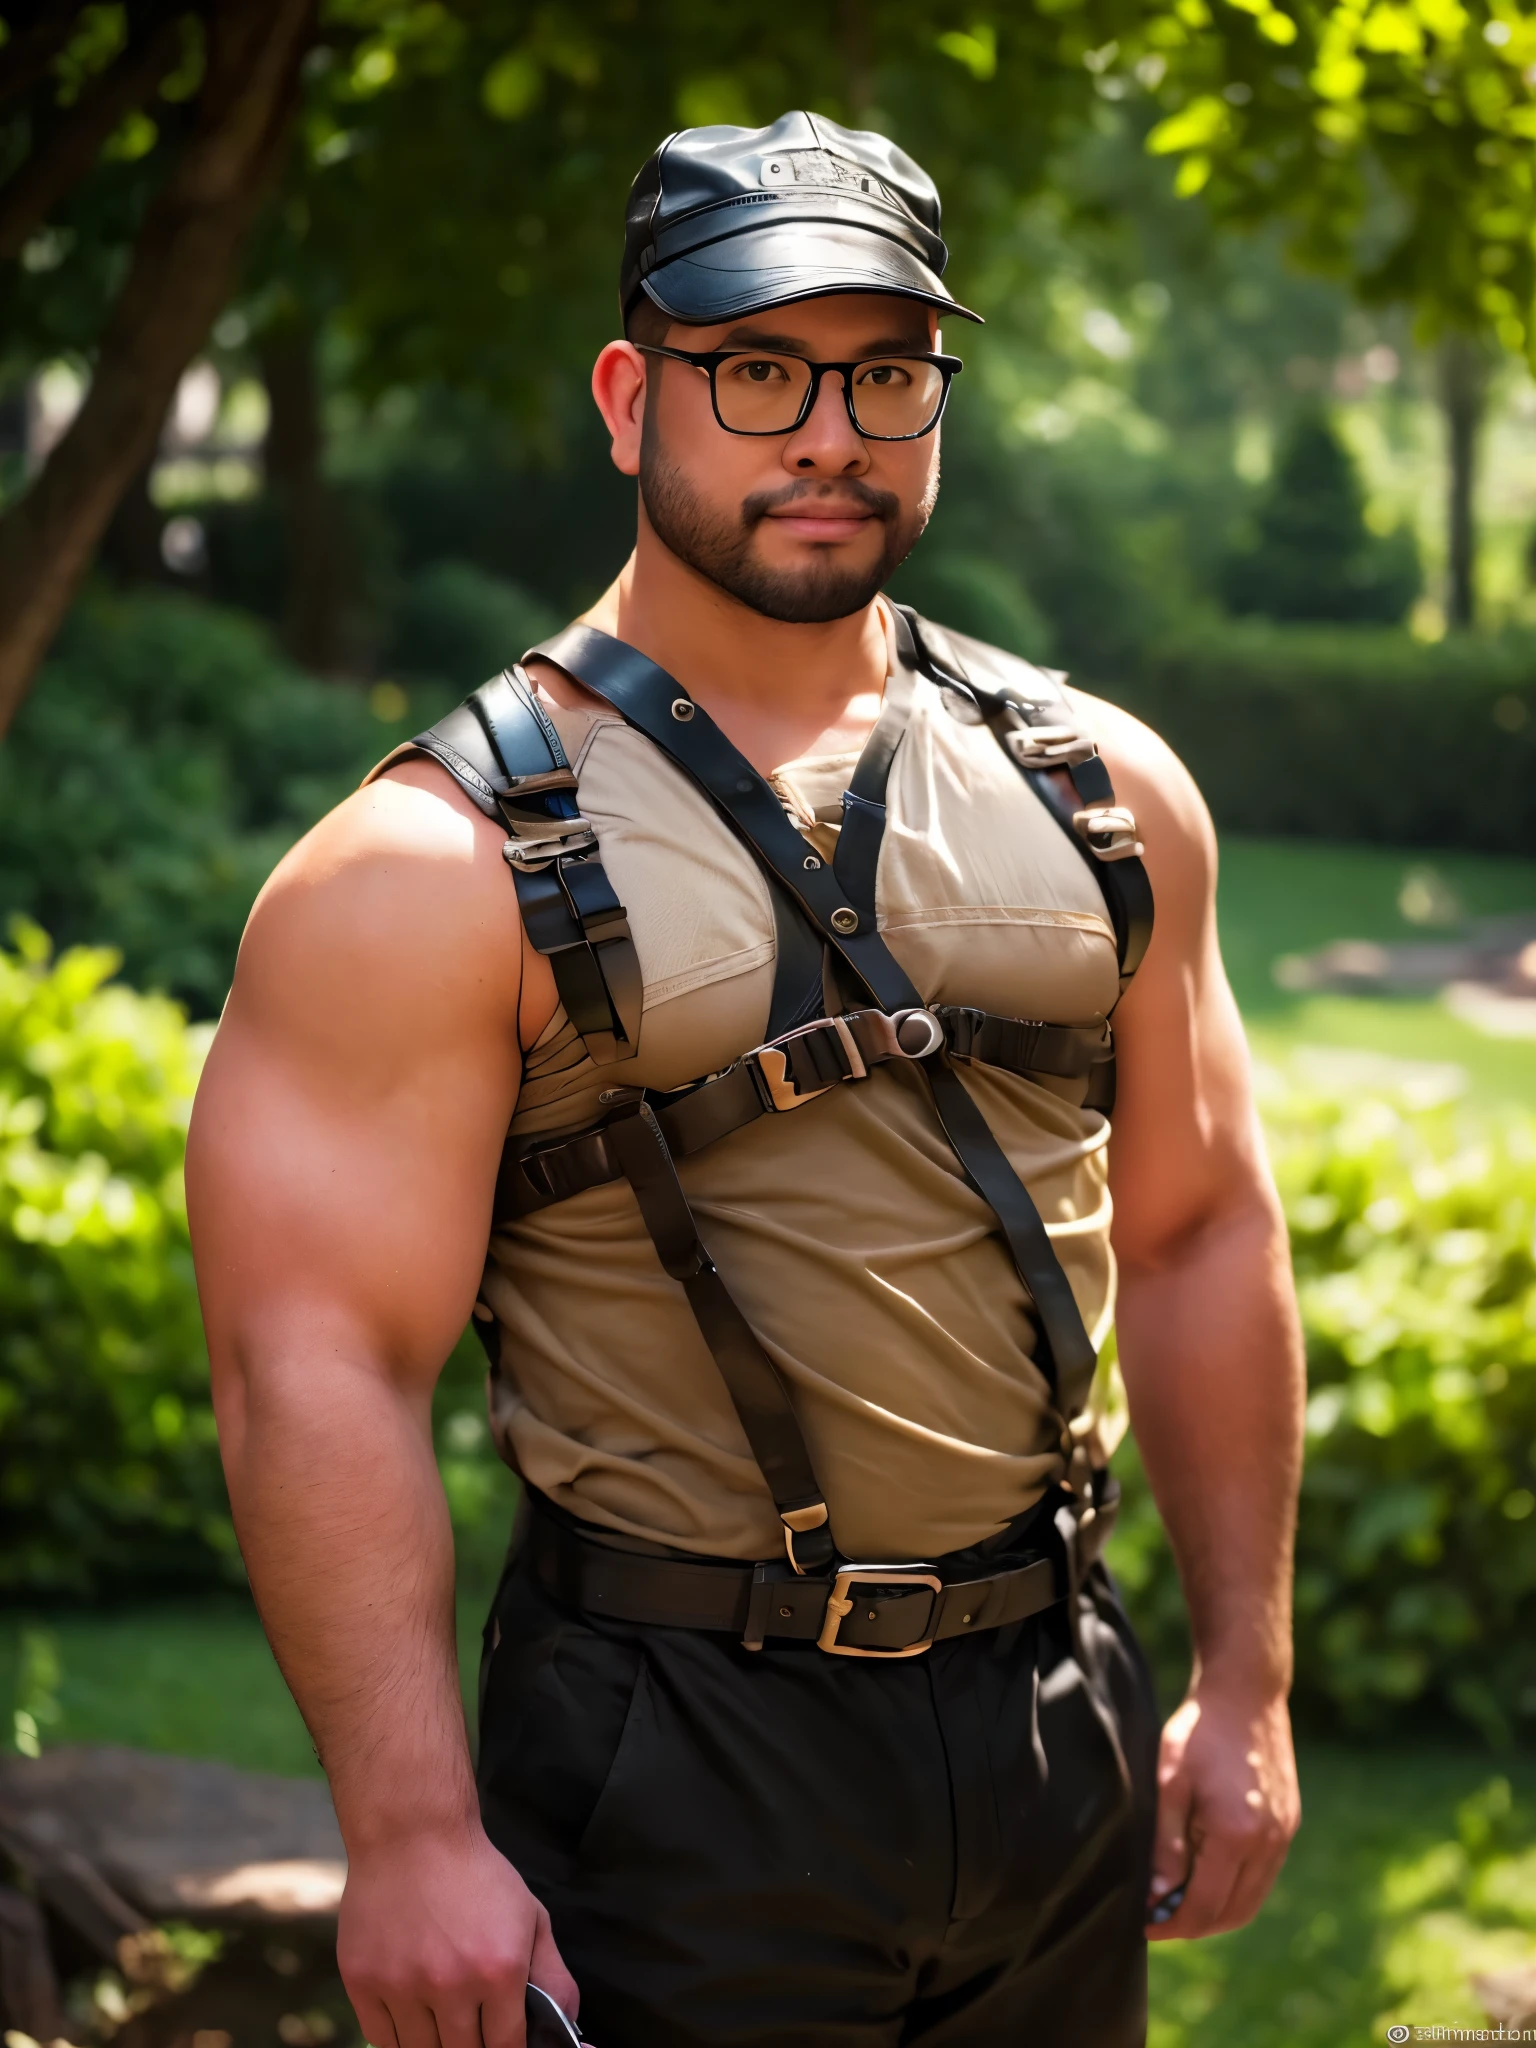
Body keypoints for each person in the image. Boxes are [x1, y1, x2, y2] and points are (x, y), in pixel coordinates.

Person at [188, 110, 1304, 2048]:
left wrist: (1251, 1680)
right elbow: (314, 1361)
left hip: (1057, 1706)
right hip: (671, 1752)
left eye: (886, 373)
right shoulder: (427, 867)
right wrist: (411, 1828)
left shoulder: (1108, 795)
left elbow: (1202, 1229)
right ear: (634, 397)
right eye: (760, 367)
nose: (830, 431)